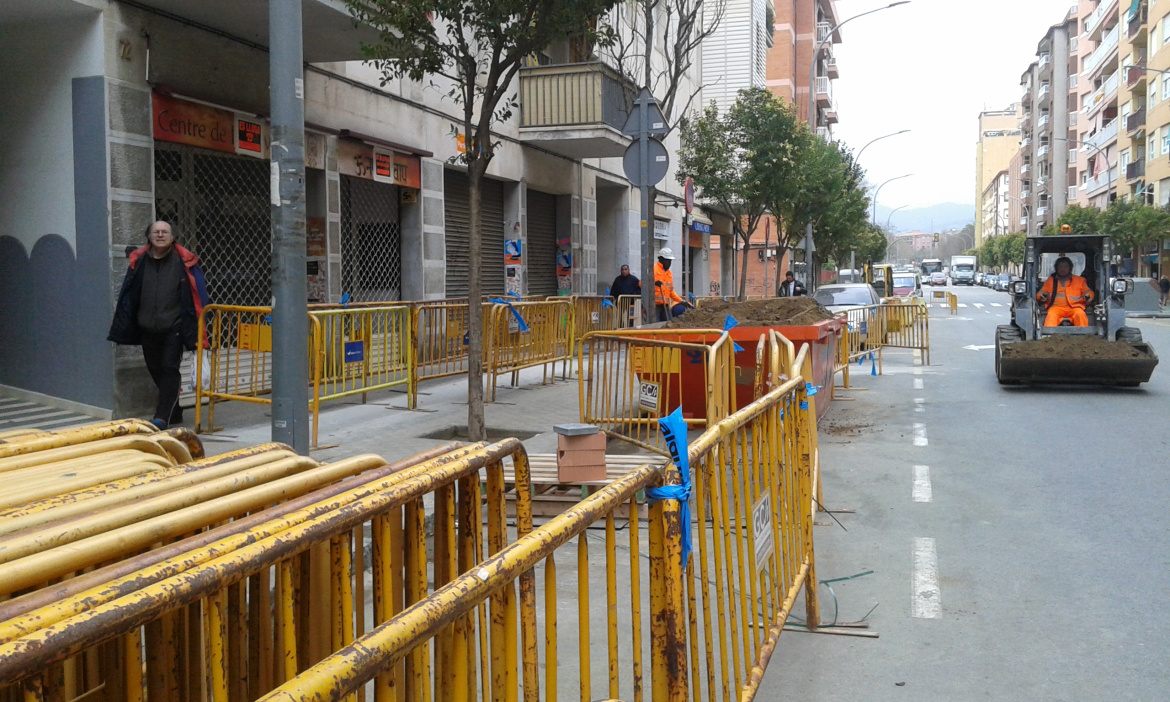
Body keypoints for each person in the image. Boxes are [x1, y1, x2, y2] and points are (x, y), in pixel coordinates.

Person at [108, 221, 210, 429]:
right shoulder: (140, 261)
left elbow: (200, 295)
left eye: (165, 232)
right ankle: (175, 409)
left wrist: (201, 327)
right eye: (156, 232)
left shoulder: (185, 262)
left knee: (169, 368)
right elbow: (129, 294)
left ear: (173, 237)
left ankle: (162, 416)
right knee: (155, 368)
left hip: (174, 327)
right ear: (149, 236)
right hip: (147, 327)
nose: (161, 235)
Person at [1037, 256, 1094, 327]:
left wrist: (1089, 297)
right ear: (1056, 268)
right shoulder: (1050, 281)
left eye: (1065, 267)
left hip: (1075, 308)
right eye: (1060, 267)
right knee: (1051, 315)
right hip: (1056, 308)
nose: (1063, 269)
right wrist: (1041, 297)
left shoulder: (1080, 280)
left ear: (1070, 268)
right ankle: (1049, 336)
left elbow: (1088, 291)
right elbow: (1041, 292)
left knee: (1080, 314)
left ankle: (1083, 336)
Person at [653, 248, 691, 321]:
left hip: (665, 305)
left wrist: (681, 301)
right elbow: (641, 284)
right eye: (668, 261)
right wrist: (653, 283)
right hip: (654, 306)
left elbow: (671, 292)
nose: (670, 263)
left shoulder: (669, 273)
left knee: (669, 324)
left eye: (670, 261)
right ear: (662, 260)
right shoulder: (653, 269)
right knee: (655, 327)